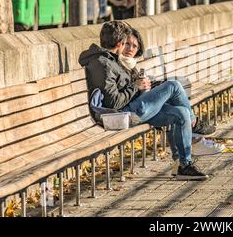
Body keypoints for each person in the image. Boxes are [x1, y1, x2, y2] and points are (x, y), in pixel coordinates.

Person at [78, 21, 218, 180]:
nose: (128, 48)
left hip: (132, 108)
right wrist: (136, 87)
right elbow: (113, 103)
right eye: (126, 43)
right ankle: (194, 124)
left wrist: (146, 86)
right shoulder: (102, 63)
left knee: (181, 112)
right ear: (120, 43)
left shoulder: (111, 60)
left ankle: (183, 165)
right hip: (122, 115)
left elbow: (123, 90)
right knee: (173, 86)